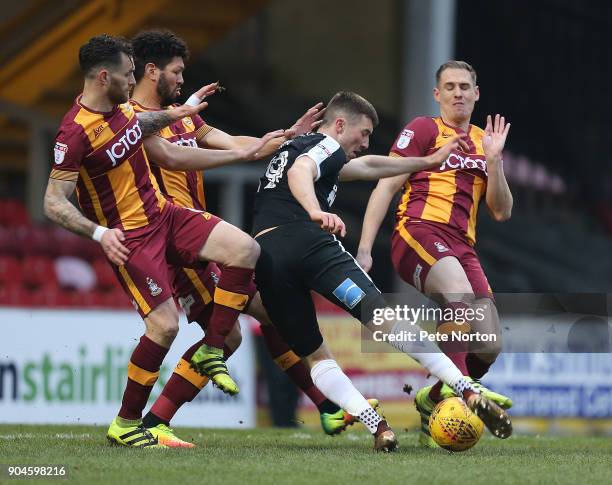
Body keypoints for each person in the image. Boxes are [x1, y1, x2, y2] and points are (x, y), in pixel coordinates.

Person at [128, 29, 370, 446]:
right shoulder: (134, 119)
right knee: (232, 334)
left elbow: (236, 143)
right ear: (151, 72)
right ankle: (154, 421)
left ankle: (326, 406)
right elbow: (176, 156)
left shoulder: (184, 115)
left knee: (272, 308)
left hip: (197, 230)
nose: (183, 80)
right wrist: (243, 153)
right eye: (177, 71)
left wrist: (284, 138)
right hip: (168, 239)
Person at [43, 34, 282, 448]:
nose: (134, 78)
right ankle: (126, 422)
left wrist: (183, 113)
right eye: (127, 73)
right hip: (131, 237)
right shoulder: (74, 133)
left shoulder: (121, 109)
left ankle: (211, 348)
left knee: (245, 249)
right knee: (165, 325)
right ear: (104, 77)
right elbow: (52, 201)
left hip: (164, 214)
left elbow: (142, 127)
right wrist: (100, 234)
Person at [249, 91, 513, 451]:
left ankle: (379, 428)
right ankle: (464, 387)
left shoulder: (296, 147)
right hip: (308, 241)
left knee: (315, 355)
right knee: (384, 320)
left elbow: (370, 167)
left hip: (268, 255)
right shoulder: (323, 144)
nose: (365, 142)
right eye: (364, 132)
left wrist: (426, 161)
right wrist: (314, 210)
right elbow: (302, 172)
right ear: (340, 124)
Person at [357, 60, 514, 448]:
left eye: (465, 86)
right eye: (450, 87)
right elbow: (385, 186)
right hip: (418, 232)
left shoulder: (483, 140)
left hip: (463, 246)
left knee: (490, 344)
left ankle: (435, 398)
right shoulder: (424, 129)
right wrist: (363, 249)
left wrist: (494, 163)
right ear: (437, 94)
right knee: (458, 294)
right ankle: (465, 394)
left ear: (476, 94)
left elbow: (502, 210)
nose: (458, 93)